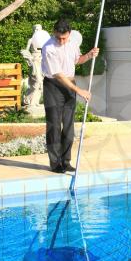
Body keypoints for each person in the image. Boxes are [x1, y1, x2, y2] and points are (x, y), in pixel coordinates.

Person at [41, 19, 99, 173]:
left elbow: (77, 60)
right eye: (59, 37)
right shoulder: (48, 48)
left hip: (69, 85)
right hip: (53, 86)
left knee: (68, 127)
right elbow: (58, 75)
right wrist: (79, 90)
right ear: (54, 32)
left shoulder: (73, 43)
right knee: (54, 125)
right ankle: (55, 164)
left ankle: (66, 162)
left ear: (69, 34)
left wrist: (89, 55)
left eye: (64, 38)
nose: (61, 40)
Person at [21, 24, 50, 107]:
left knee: (41, 82)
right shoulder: (31, 40)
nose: (37, 31)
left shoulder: (44, 40)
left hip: (42, 60)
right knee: (36, 81)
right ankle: (27, 100)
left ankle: (35, 102)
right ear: (33, 30)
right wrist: (29, 59)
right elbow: (26, 51)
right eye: (36, 29)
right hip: (34, 60)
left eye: (39, 29)